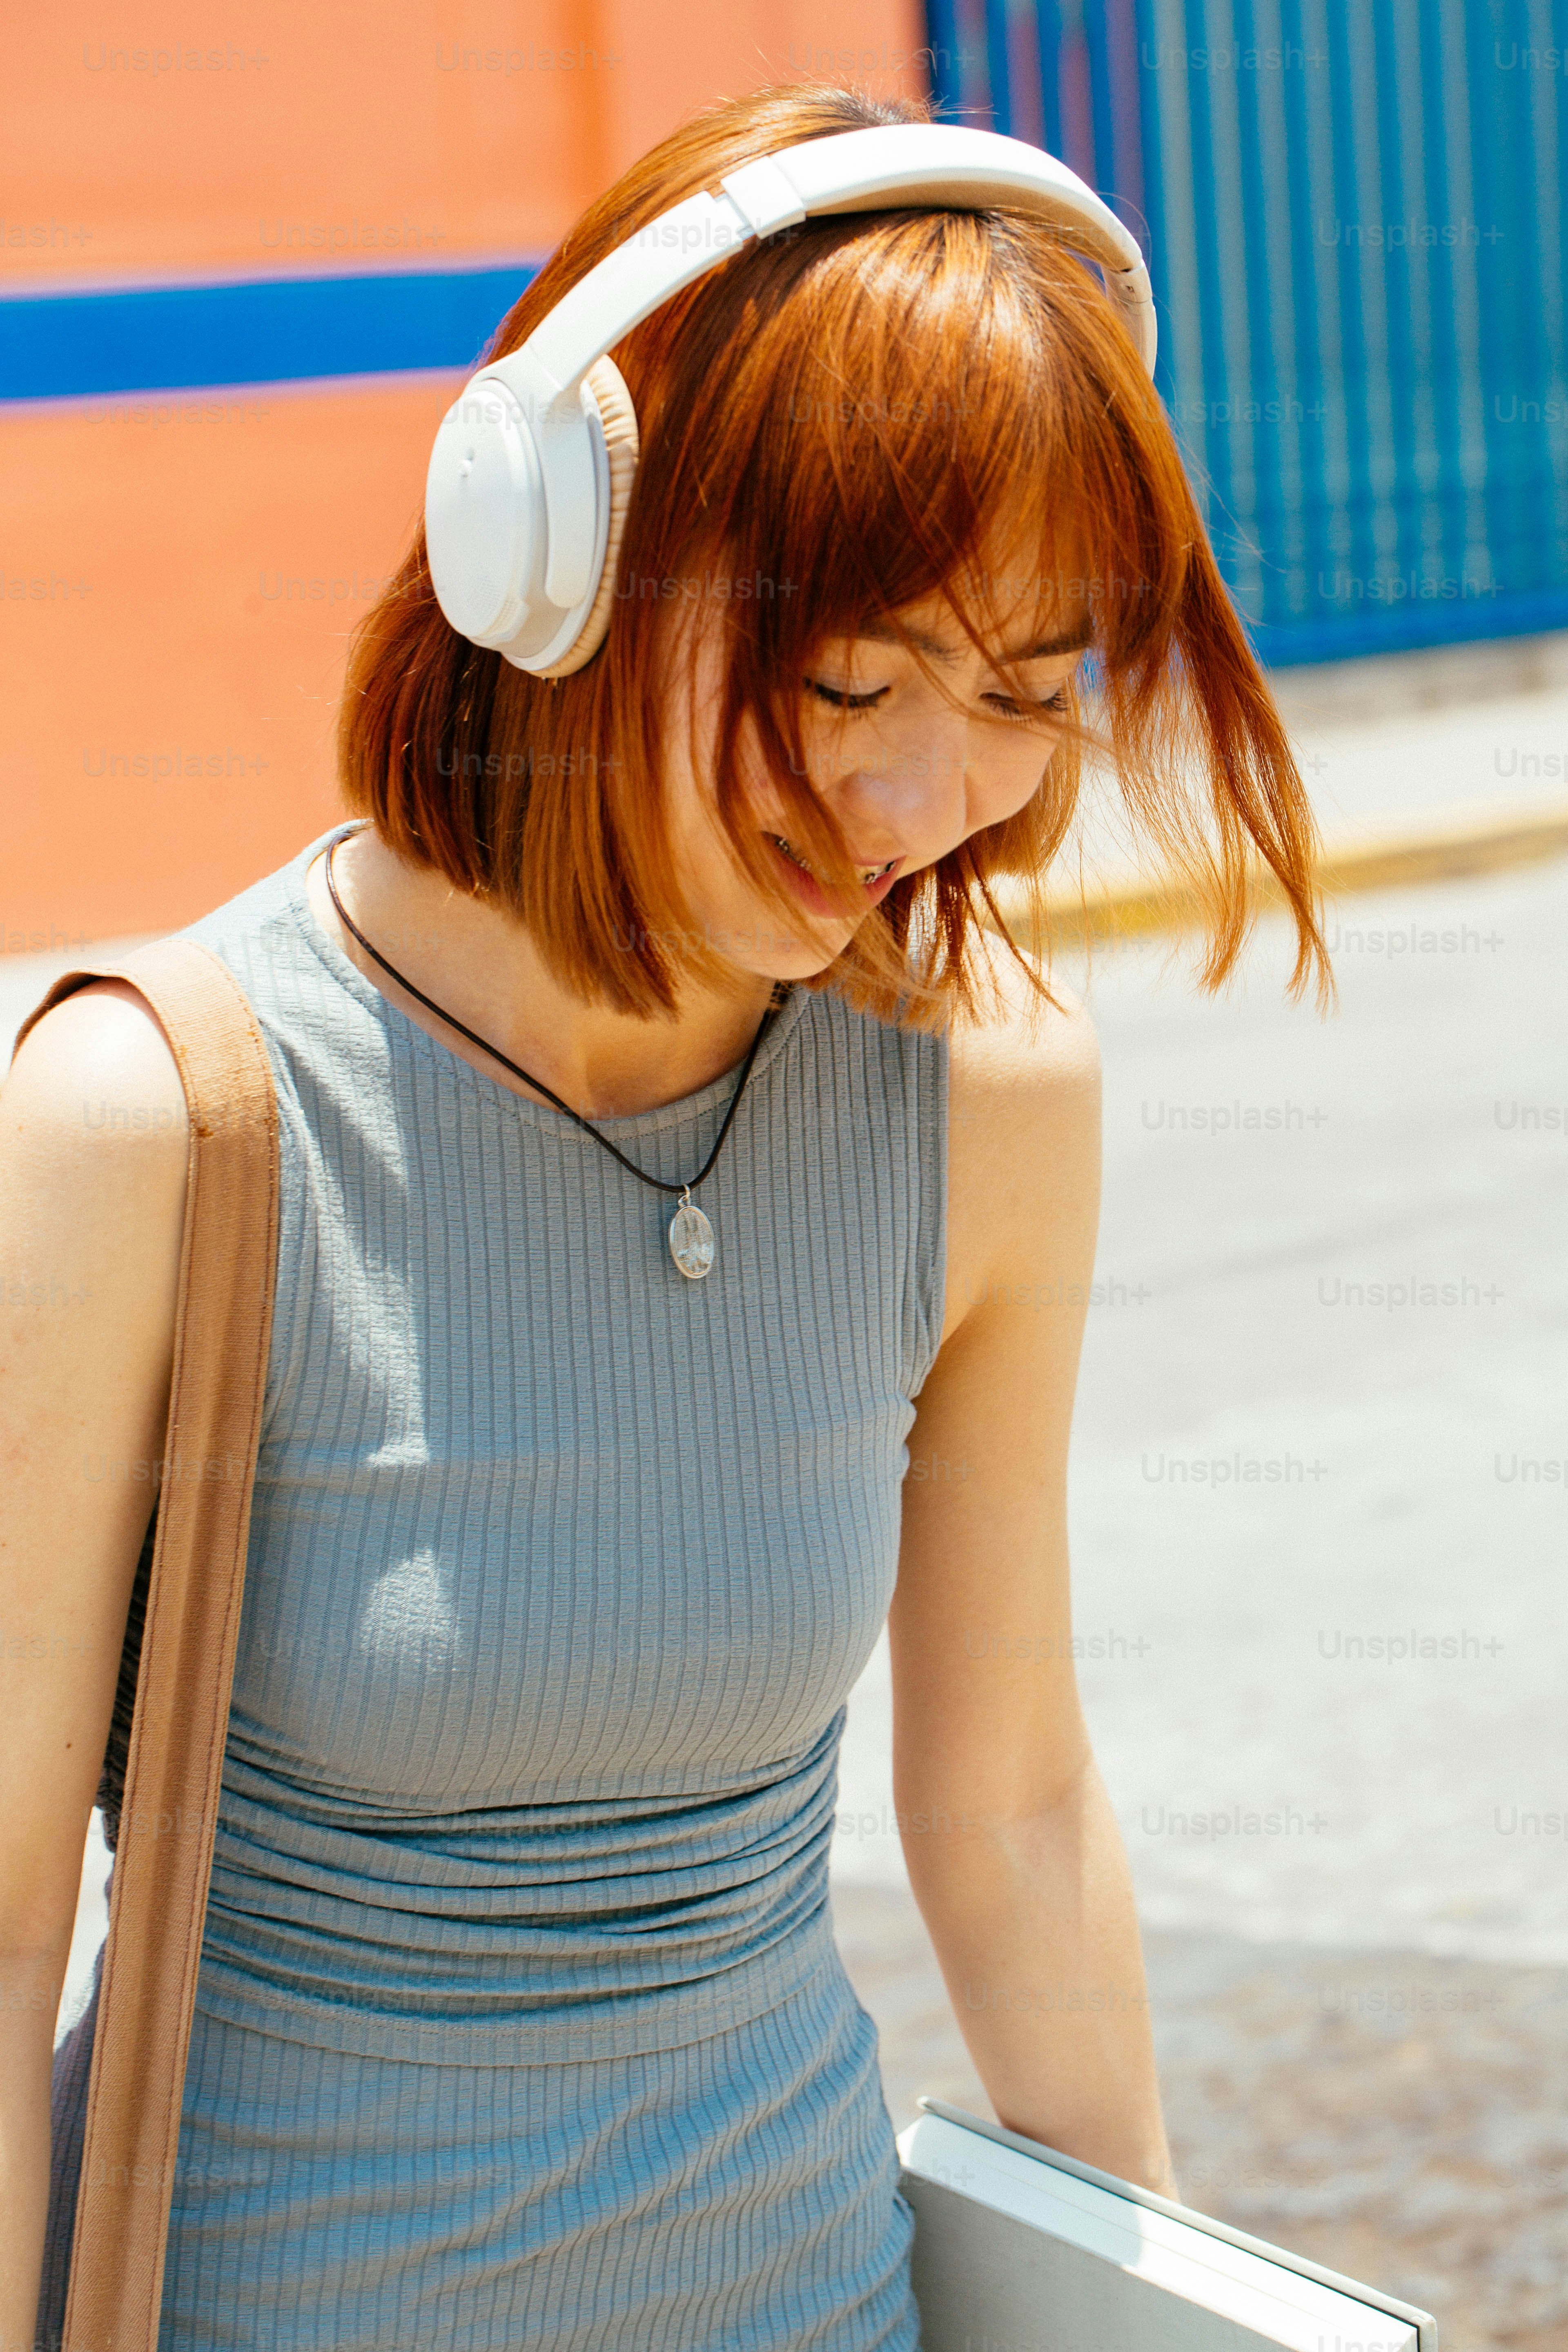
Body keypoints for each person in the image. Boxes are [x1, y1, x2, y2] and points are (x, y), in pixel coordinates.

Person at [4, 79, 1326, 2352]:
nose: (930, 801)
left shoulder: (977, 1092)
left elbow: (1008, 1805)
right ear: (559, 555)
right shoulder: (157, 1125)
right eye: (848, 680)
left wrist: (1166, 2289)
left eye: (1018, 695)